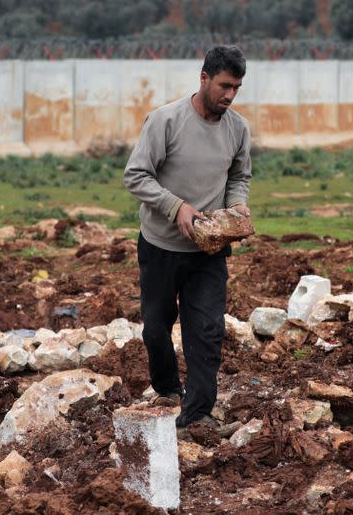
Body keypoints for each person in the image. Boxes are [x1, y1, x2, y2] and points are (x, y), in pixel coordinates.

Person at [123, 45, 251, 429]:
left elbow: (239, 177)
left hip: (209, 251)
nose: (229, 96)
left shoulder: (238, 128)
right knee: (157, 328)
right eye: (224, 86)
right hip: (161, 246)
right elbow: (136, 175)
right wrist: (175, 206)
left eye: (237, 88)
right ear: (204, 78)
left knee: (208, 329)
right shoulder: (165, 121)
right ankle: (166, 386)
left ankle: (197, 414)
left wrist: (238, 206)